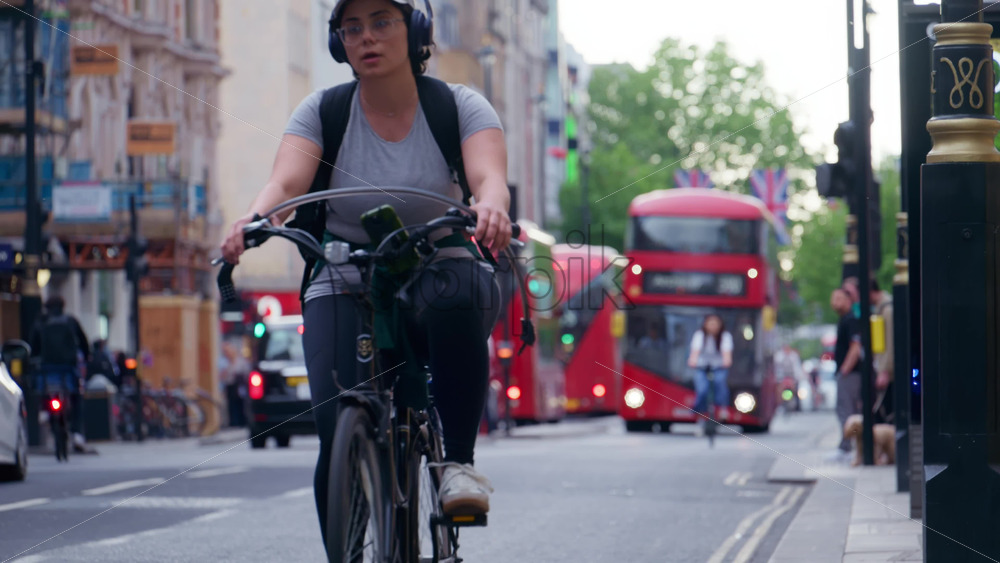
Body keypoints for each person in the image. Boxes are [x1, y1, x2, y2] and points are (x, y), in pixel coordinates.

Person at [219, 0, 511, 550]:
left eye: (381, 22)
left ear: (415, 31)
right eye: (352, 28)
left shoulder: (458, 106)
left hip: (437, 263)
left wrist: (492, 205)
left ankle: (458, 467)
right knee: (336, 428)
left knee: (457, 293)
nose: (366, 38)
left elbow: (489, 177)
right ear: (339, 44)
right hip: (346, 269)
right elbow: (285, 185)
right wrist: (256, 220)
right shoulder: (323, 111)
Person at [29, 295, 91, 451]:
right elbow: (83, 342)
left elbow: (33, 347)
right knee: (76, 396)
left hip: (47, 368)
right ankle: (77, 433)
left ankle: (44, 410)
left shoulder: (41, 322)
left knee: (40, 386)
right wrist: (86, 355)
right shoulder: (71, 321)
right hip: (68, 367)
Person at [830, 287, 862, 461]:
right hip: (849, 374)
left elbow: (855, 347)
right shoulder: (846, 319)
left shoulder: (850, 320)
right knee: (847, 410)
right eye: (833, 298)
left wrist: (844, 370)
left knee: (846, 410)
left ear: (848, 300)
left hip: (850, 375)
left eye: (838, 298)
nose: (834, 302)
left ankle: (846, 447)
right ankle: (851, 446)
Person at [687, 314, 733, 433]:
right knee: (702, 389)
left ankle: (723, 408)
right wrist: (692, 361)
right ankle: (699, 412)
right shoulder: (700, 335)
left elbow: (727, 355)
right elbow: (694, 353)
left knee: (719, 382)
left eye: (715, 323)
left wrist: (726, 361)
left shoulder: (725, 336)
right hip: (702, 367)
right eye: (710, 323)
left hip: (718, 367)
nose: (713, 326)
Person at [870, 279, 894, 423]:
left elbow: (890, 342)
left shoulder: (887, 309)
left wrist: (885, 370)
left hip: (888, 372)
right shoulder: (882, 308)